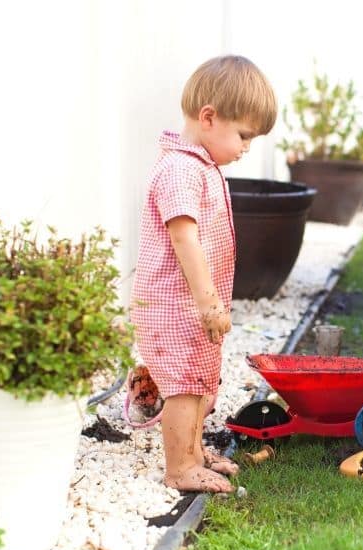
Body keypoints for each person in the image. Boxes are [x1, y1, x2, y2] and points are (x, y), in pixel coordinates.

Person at [130, 55, 277, 493]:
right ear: (209, 118)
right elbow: (184, 239)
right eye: (244, 135)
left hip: (190, 303)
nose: (247, 146)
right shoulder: (180, 169)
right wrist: (208, 301)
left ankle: (194, 454)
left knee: (197, 381)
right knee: (182, 387)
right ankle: (179, 468)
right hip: (175, 303)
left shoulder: (200, 165)